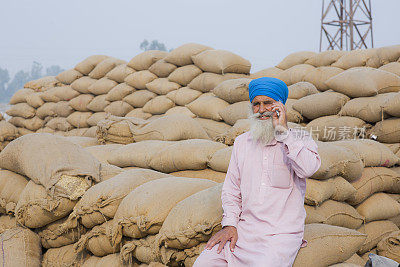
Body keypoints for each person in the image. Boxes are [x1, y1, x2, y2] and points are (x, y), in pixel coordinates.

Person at [193, 77, 321, 267]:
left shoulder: (299, 139)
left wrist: (283, 132)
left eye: (268, 103)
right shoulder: (242, 142)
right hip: (244, 231)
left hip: (279, 236)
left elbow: (309, 168)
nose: (261, 110)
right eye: (256, 104)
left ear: (281, 106)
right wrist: (230, 225)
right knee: (204, 262)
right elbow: (231, 189)